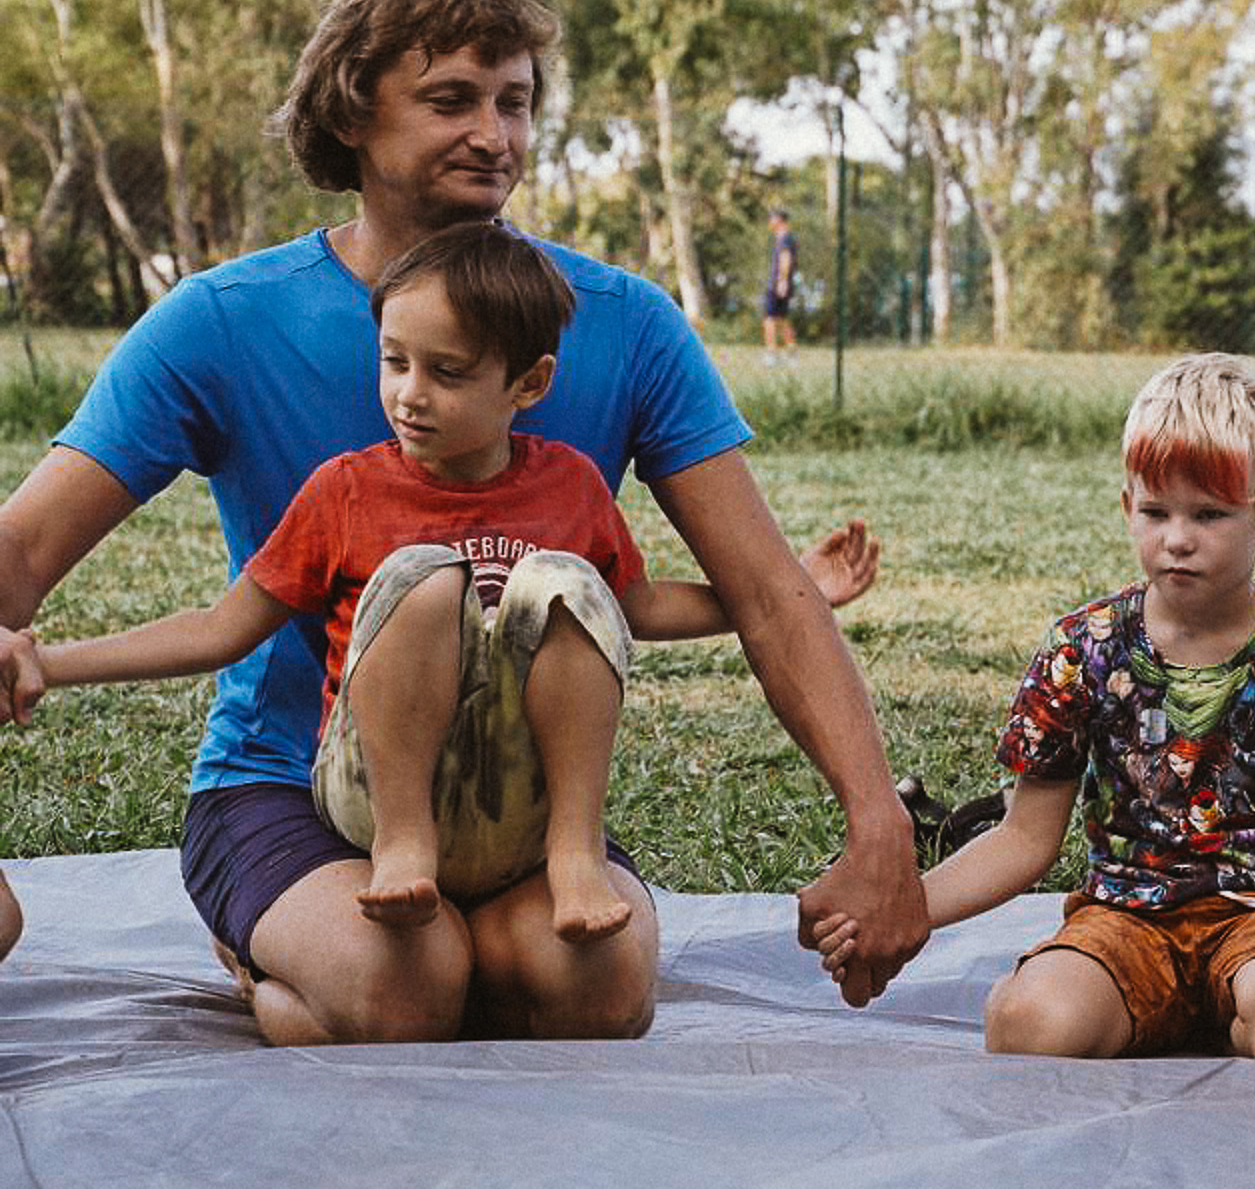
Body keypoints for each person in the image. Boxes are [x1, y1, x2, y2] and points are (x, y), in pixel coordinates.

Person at [0, 0, 922, 1044]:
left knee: (600, 993)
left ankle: (427, 946)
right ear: (351, 112)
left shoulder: (621, 322)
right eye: (451, 100)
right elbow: (22, 549)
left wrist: (880, 830)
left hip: (514, 809)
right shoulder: (219, 321)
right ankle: (275, 943)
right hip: (286, 793)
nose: (495, 133)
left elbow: (763, 592)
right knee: (403, 988)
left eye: (515, 101)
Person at [0, 225, 792, 950]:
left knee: (566, 584)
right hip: (372, 791)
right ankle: (400, 844)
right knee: (423, 578)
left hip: (512, 795)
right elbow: (222, 627)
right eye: (394, 362)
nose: (410, 393)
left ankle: (575, 850)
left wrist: (785, 592)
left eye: (447, 373)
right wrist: (51, 660)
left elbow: (638, 609)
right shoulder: (346, 491)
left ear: (530, 382)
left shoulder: (572, 487)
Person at [823, 354, 1255, 1060]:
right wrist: (901, 912)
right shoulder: (1084, 648)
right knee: (1029, 1023)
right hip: (1124, 922)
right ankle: (1156, 1013)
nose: (1177, 538)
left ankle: (1249, 1016)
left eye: (1210, 514)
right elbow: (1024, 839)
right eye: (1155, 511)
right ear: (1125, 507)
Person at [762, 208, 799, 363]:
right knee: (782, 318)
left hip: (778, 283)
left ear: (779, 220)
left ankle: (772, 354)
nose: (770, 221)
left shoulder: (785, 238)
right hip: (782, 283)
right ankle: (791, 352)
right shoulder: (784, 238)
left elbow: (786, 258)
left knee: (769, 319)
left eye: (772, 218)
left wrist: (782, 281)